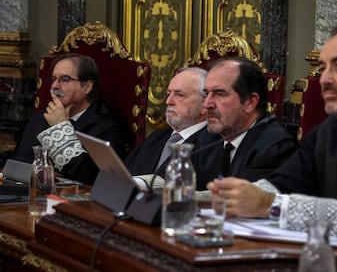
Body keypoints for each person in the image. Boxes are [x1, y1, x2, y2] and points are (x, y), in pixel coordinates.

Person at [207, 21, 337, 260]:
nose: (325, 79)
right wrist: (238, 197)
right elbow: (285, 182)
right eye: (323, 68)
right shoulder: (331, 129)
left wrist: (271, 205)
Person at [11, 53, 126, 185]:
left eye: (64, 79)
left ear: (87, 86)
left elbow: (91, 179)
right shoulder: (42, 117)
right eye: (53, 79)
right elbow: (19, 162)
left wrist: (60, 127)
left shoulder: (106, 128)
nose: (54, 86)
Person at [193, 56, 298, 191]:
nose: (207, 104)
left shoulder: (276, 148)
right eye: (206, 93)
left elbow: (242, 203)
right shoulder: (208, 139)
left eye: (219, 93)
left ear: (250, 102)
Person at [124, 67, 208, 178]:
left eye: (180, 95)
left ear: (205, 104)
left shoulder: (211, 146)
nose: (168, 101)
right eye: (169, 93)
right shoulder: (156, 137)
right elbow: (123, 176)